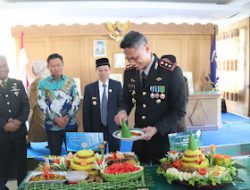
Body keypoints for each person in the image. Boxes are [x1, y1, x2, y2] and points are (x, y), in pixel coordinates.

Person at [114, 31, 186, 165]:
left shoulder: (171, 72)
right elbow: (126, 99)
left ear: (147, 48)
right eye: (128, 59)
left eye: (135, 58)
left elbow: (179, 111)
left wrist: (156, 129)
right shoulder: (130, 73)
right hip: (139, 138)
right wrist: (122, 110)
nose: (132, 63)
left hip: (163, 139)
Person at [38, 53, 80, 156]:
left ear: (63, 65)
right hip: (52, 127)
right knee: (55, 156)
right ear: (48, 67)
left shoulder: (70, 81)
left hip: (70, 124)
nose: (56, 68)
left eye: (58, 65)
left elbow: (76, 99)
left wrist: (67, 116)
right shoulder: (43, 83)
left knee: (74, 155)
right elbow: (41, 103)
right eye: (53, 66)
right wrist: (55, 118)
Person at [0, 55, 30, 189]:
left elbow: (26, 105)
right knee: (2, 165)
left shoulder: (17, 83)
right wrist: (3, 125)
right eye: (0, 66)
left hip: (19, 133)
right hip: (2, 134)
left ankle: (22, 187)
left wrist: (17, 121)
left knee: (21, 165)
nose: (3, 69)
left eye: (4, 65)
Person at [83, 58, 122, 152]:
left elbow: (121, 106)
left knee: (114, 156)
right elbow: (86, 112)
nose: (103, 73)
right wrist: (88, 132)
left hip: (114, 129)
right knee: (98, 158)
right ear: (96, 71)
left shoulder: (117, 85)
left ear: (109, 70)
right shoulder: (89, 88)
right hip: (96, 130)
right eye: (100, 70)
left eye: (105, 70)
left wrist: (122, 128)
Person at [161, 54, 189, 132]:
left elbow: (184, 99)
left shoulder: (183, 80)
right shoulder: (158, 80)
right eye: (162, 64)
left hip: (177, 119)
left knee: (179, 142)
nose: (164, 66)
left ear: (174, 65)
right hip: (162, 121)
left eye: (167, 63)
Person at [27, 60, 49, 143]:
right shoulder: (48, 77)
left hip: (39, 111)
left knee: (39, 133)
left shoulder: (38, 80)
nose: (32, 71)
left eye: (33, 68)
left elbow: (33, 98)